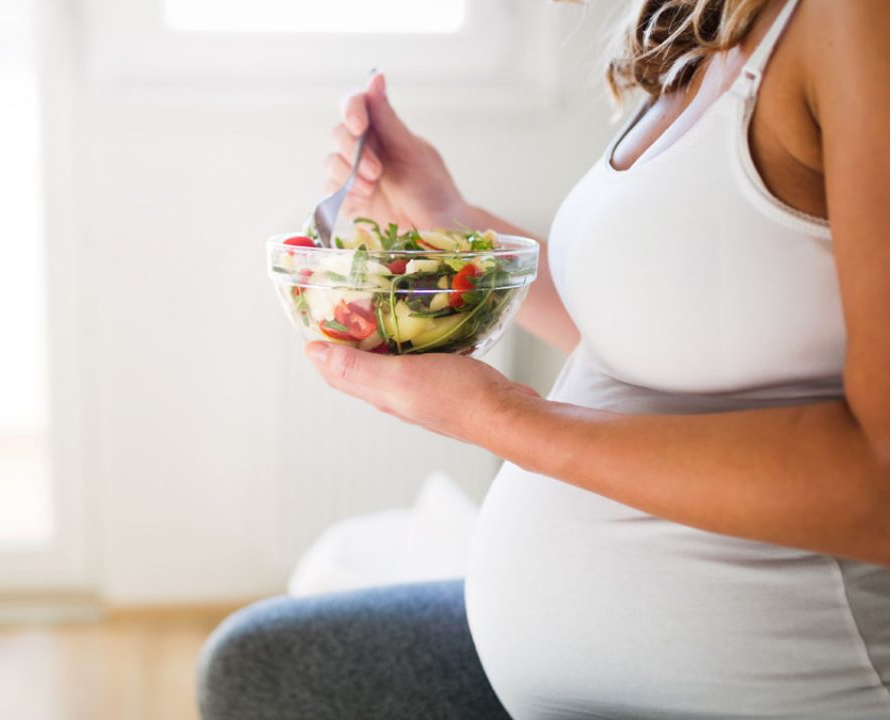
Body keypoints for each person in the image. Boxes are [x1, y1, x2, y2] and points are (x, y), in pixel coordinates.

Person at [197, 0, 890, 717]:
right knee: (258, 662)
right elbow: (654, 324)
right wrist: (446, 213)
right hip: (573, 676)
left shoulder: (859, 21)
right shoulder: (712, 21)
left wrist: (501, 420)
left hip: (774, 688)